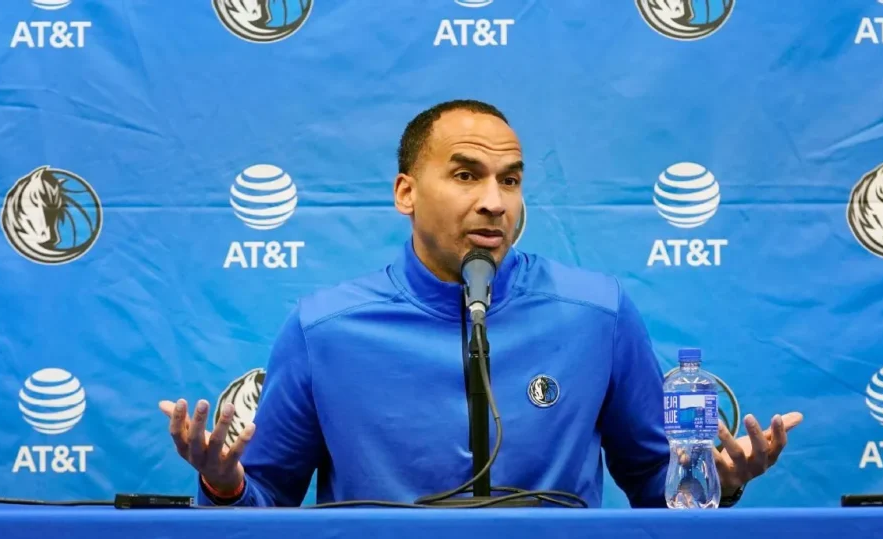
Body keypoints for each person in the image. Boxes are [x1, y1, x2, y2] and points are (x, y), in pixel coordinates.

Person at [159, 99, 803, 508]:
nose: (495, 201)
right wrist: (224, 484)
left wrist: (718, 482)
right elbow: (265, 501)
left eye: (510, 180)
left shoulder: (597, 314)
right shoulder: (325, 329)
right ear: (406, 193)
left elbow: (655, 486)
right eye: (466, 175)